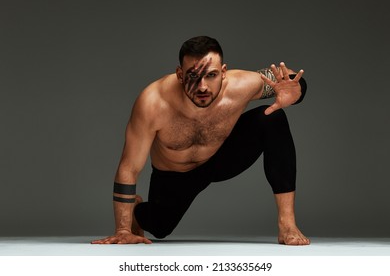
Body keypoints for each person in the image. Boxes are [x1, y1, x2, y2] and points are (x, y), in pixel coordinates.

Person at [92, 36, 310, 246]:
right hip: (176, 175)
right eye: (193, 76)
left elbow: (291, 80)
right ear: (180, 74)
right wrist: (122, 230)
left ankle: (287, 224)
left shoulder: (240, 85)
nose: (203, 86)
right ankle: (138, 214)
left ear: (224, 73)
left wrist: (297, 92)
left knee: (273, 119)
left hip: (222, 158)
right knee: (160, 227)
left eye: (212, 75)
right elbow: (129, 167)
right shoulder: (153, 102)